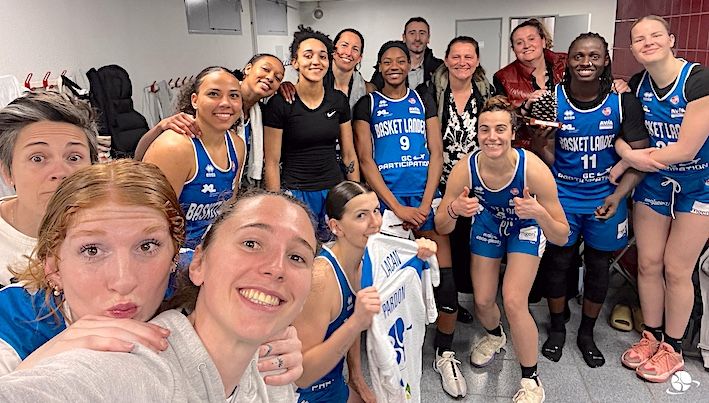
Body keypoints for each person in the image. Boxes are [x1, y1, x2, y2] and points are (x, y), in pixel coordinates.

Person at [0, 168, 317, 402]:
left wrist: (269, 333)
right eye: (92, 250)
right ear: (53, 267)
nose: (124, 280)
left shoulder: (182, 277)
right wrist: (42, 361)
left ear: (175, 257)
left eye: (147, 246)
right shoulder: (13, 323)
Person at [436, 96, 569, 403]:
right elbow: (442, 225)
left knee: (513, 300)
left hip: (526, 226)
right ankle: (496, 337)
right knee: (483, 300)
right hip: (488, 224)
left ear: (512, 132)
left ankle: (531, 379)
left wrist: (538, 213)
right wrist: (455, 209)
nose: (492, 137)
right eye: (485, 129)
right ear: (477, 133)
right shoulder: (465, 168)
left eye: (500, 129)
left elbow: (562, 235)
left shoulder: (532, 168)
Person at [353, 40, 466, 398]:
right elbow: (366, 160)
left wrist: (427, 203)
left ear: (409, 66)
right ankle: (393, 353)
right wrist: (397, 209)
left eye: (400, 60)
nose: (394, 66)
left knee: (445, 282)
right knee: (391, 288)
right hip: (388, 209)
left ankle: (444, 354)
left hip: (425, 201)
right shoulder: (367, 104)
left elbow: (436, 153)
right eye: (387, 61)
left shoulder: (423, 98)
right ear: (379, 67)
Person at [529, 33, 648, 368]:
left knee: (598, 266)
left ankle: (586, 333)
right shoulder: (552, 100)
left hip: (605, 197)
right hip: (563, 196)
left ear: (606, 60)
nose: (586, 62)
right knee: (558, 263)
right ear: (567, 62)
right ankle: (556, 328)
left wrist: (618, 195)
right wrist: (539, 143)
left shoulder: (622, 102)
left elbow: (641, 159)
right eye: (578, 56)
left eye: (594, 56)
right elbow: (546, 158)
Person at [613, 15, 709, 383]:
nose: (647, 42)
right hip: (655, 183)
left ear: (671, 39)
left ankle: (673, 347)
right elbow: (621, 134)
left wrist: (632, 160)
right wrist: (628, 154)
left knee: (676, 268)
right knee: (648, 263)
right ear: (633, 49)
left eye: (655, 35)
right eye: (639, 39)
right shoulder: (637, 85)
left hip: (698, 186)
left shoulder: (698, 80)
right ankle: (650, 336)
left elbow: (685, 149)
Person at [293, 180, 436, 403]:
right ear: (336, 227)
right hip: (303, 392)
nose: (375, 223)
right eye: (361, 216)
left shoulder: (368, 262)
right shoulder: (321, 280)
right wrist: (356, 322)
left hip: (333, 381)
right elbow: (302, 374)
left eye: (376, 211)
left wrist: (357, 378)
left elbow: (348, 321)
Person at [264, 25, 360, 241]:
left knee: (334, 251)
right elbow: (272, 161)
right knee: (300, 250)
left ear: (329, 61)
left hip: (334, 192)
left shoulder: (338, 100)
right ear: (295, 62)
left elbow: (349, 154)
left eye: (322, 56)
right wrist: (275, 206)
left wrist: (356, 194)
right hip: (295, 193)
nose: (316, 61)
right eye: (308, 56)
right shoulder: (280, 104)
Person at [423, 35, 494, 321]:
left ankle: (469, 297)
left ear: (476, 61)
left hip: (478, 181)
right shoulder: (430, 92)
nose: (462, 62)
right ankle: (448, 302)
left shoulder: (486, 93)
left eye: (468, 56)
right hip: (442, 181)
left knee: (470, 242)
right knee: (447, 242)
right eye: (456, 56)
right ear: (446, 59)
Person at [135, 55, 285, 188]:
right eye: (214, 94)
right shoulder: (182, 135)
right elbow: (141, 161)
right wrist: (160, 127)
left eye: (278, 78)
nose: (270, 77)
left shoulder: (261, 117)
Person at [0, 91, 98, 286]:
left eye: (74, 157)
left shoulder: (115, 227)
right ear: (7, 173)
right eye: (38, 158)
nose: (60, 173)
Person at [143, 66, 246, 251]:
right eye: (214, 94)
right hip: (172, 256)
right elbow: (149, 223)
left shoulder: (237, 145)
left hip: (208, 253)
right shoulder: (174, 147)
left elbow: (227, 210)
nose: (225, 103)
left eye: (233, 95)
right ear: (195, 100)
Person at [370, 17, 443, 91]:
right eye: (412, 33)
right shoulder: (389, 66)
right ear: (404, 37)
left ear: (428, 38)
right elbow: (374, 92)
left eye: (422, 33)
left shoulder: (439, 67)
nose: (417, 38)